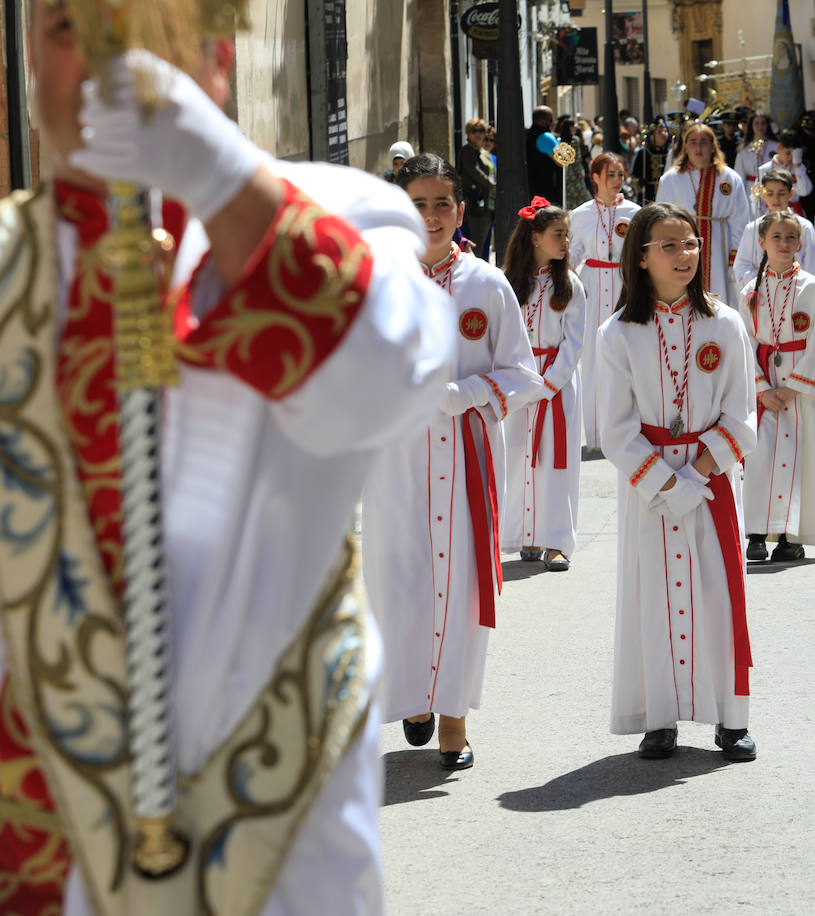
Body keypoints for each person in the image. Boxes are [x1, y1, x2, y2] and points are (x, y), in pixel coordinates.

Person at [13, 9, 456, 911]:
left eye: (141, 26)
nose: (104, 61)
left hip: (269, 843)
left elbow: (389, 380)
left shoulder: (341, 210)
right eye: (67, 27)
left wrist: (215, 177)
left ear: (218, 62)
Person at [363, 156, 542, 774]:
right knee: (401, 577)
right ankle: (412, 695)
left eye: (443, 204)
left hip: (466, 459)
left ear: (462, 212)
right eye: (418, 203)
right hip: (398, 461)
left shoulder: (486, 284)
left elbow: (523, 373)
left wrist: (464, 395)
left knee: (460, 584)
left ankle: (454, 719)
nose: (432, 216)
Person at [596, 203, 758, 761]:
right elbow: (614, 430)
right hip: (650, 490)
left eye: (690, 244)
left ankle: (731, 719)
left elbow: (742, 415)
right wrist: (669, 484)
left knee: (717, 590)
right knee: (651, 595)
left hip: (712, 483)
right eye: (668, 245)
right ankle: (657, 717)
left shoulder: (725, 322)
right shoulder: (617, 333)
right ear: (640, 258)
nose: (684, 254)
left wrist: (699, 474)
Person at [740, 211, 815, 562]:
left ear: (800, 243)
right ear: (761, 243)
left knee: (802, 459)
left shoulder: (814, 289)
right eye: (777, 237)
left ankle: (791, 535)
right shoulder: (750, 291)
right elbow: (744, 341)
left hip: (800, 391)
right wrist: (761, 386)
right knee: (760, 457)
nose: (784, 244)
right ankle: (757, 533)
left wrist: (793, 387)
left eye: (791, 237)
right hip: (764, 389)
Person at [501, 199, 587, 572]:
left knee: (556, 462)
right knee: (519, 459)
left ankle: (557, 541)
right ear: (535, 238)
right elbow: (500, 334)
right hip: (518, 382)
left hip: (556, 384)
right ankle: (527, 535)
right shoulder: (509, 282)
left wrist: (550, 382)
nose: (566, 240)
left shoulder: (570, 284)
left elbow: (574, 342)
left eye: (567, 234)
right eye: (558, 234)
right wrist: (516, 378)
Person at [570, 153, 641, 451]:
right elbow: (573, 252)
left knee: (628, 355)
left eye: (620, 175)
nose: (616, 181)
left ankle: (630, 429)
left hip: (626, 284)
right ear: (595, 177)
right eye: (610, 175)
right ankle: (595, 436)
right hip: (593, 283)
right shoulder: (581, 213)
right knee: (592, 359)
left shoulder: (635, 212)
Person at [656, 122, 751, 309]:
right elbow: (661, 220)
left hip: (720, 251)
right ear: (685, 146)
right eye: (693, 142)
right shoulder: (671, 179)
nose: (698, 147)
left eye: (704, 142)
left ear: (713, 146)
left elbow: (740, 220)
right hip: (682, 248)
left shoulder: (729, 178)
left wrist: (735, 258)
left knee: (721, 301)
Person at [733, 169, 815, 291]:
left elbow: (814, 269)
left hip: (795, 293)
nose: (776, 199)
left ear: (791, 193)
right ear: (763, 194)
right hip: (763, 294)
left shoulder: (805, 227)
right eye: (770, 193)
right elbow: (741, 267)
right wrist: (761, 280)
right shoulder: (753, 228)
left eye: (781, 193)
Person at [459, 117, 497, 260]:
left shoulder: (484, 152)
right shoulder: (468, 150)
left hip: (489, 204)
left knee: (485, 244)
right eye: (474, 130)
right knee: (476, 246)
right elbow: (474, 171)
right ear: (468, 133)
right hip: (475, 205)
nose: (478, 133)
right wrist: (491, 184)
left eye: (481, 130)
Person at [757, 130, 813, 217]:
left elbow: (804, 191)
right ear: (779, 147)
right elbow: (758, 199)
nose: (791, 157)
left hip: (795, 214)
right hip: (772, 214)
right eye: (788, 153)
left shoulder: (798, 168)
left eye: (794, 154)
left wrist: (798, 166)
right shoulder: (765, 170)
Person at [734, 112, 780, 200]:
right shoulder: (744, 149)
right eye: (756, 123)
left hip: (771, 188)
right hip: (750, 188)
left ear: (767, 125)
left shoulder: (776, 146)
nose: (760, 127)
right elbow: (739, 174)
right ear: (751, 126)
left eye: (763, 123)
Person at [631, 117, 672, 203]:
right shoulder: (643, 153)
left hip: (668, 194)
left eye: (665, 131)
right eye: (659, 132)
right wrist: (640, 187)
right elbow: (635, 177)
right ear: (652, 135)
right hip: (647, 195)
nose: (663, 134)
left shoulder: (671, 154)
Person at [526, 105, 562, 203]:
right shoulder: (546, 137)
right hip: (546, 189)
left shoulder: (527, 134)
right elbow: (561, 161)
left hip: (530, 187)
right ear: (544, 121)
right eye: (550, 120)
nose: (552, 123)